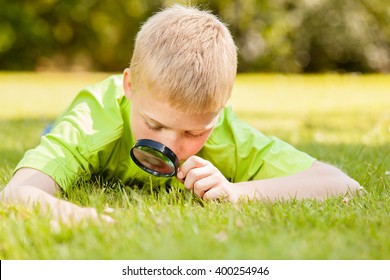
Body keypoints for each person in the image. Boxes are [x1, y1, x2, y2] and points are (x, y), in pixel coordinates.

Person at [0, 5, 360, 224]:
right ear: (129, 86)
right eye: (154, 124)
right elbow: (16, 194)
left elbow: (342, 186)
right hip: (80, 120)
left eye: (193, 133)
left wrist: (237, 193)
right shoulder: (96, 120)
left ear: (219, 113)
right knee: (55, 139)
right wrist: (82, 217)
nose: (171, 147)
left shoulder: (224, 132)